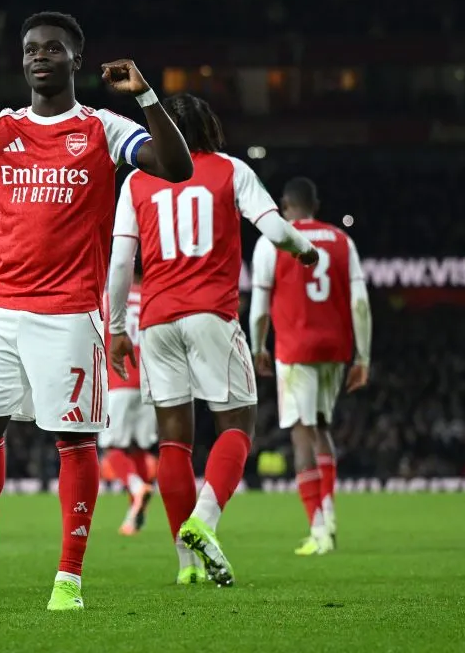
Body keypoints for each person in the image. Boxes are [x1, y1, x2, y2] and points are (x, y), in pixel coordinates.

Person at [0, 11, 193, 611]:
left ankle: (69, 580)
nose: (40, 56)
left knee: (73, 441)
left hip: (70, 311)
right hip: (3, 307)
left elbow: (176, 167)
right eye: (32, 48)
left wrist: (147, 98)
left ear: (75, 60)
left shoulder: (104, 127)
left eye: (53, 48)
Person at [107, 93, 317, 586]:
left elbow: (120, 264)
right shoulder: (230, 170)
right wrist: (305, 250)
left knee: (173, 441)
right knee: (238, 424)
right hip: (211, 315)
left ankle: (186, 566)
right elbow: (275, 231)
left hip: (155, 322)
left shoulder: (137, 180)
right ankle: (206, 518)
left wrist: (117, 327)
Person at [249, 177, 372, 555]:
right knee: (320, 426)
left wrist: (258, 348)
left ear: (285, 205)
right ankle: (330, 514)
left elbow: (259, 308)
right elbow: (360, 304)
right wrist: (363, 357)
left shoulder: (273, 239)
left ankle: (317, 529)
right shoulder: (342, 241)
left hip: (296, 349)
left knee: (301, 432)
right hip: (336, 349)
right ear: (315, 204)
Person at [99, 276, 156, 536]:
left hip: (118, 380)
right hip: (148, 381)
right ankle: (134, 516)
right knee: (139, 448)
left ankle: (135, 487)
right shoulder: (152, 297)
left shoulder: (110, 298)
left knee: (112, 447)